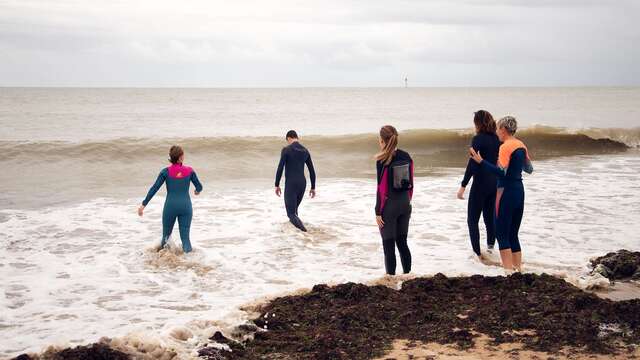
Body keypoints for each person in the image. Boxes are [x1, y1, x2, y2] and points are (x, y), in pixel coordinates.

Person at [470, 116, 533, 271]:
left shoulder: (505, 147)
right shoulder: (520, 145)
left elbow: (501, 172)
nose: (496, 131)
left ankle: (508, 271)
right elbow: (529, 169)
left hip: (505, 191)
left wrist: (481, 161)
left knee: (501, 233)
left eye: (498, 128)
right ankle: (517, 269)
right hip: (519, 190)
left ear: (504, 130)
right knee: (513, 233)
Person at [138, 145, 203, 253]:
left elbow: (154, 188)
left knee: (166, 238)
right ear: (181, 157)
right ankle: (191, 263)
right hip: (186, 207)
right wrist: (197, 192)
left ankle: (162, 263)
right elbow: (199, 187)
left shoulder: (165, 172)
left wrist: (143, 205)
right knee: (185, 239)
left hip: (170, 207)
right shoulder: (189, 171)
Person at [457, 110, 500, 259]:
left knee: (472, 220)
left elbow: (472, 163)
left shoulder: (478, 139)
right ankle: (490, 249)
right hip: (494, 182)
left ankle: (477, 254)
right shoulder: (496, 138)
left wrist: (463, 185)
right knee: (489, 217)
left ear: (478, 123)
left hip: (480, 183)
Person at [375, 125, 414, 275]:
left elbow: (381, 189)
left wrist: (378, 211)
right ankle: (408, 277)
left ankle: (391, 282)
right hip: (405, 205)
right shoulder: (406, 156)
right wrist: (406, 201)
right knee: (402, 243)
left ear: (382, 141)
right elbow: (411, 185)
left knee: (389, 246)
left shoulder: (382, 160)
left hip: (389, 208)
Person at [275, 130, 316, 232]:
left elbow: (280, 167)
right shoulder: (305, 151)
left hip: (291, 183)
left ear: (289, 138)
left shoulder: (286, 150)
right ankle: (296, 236)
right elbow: (312, 171)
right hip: (302, 183)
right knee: (295, 210)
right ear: (297, 137)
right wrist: (313, 187)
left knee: (291, 214)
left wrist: (277, 184)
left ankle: (305, 232)